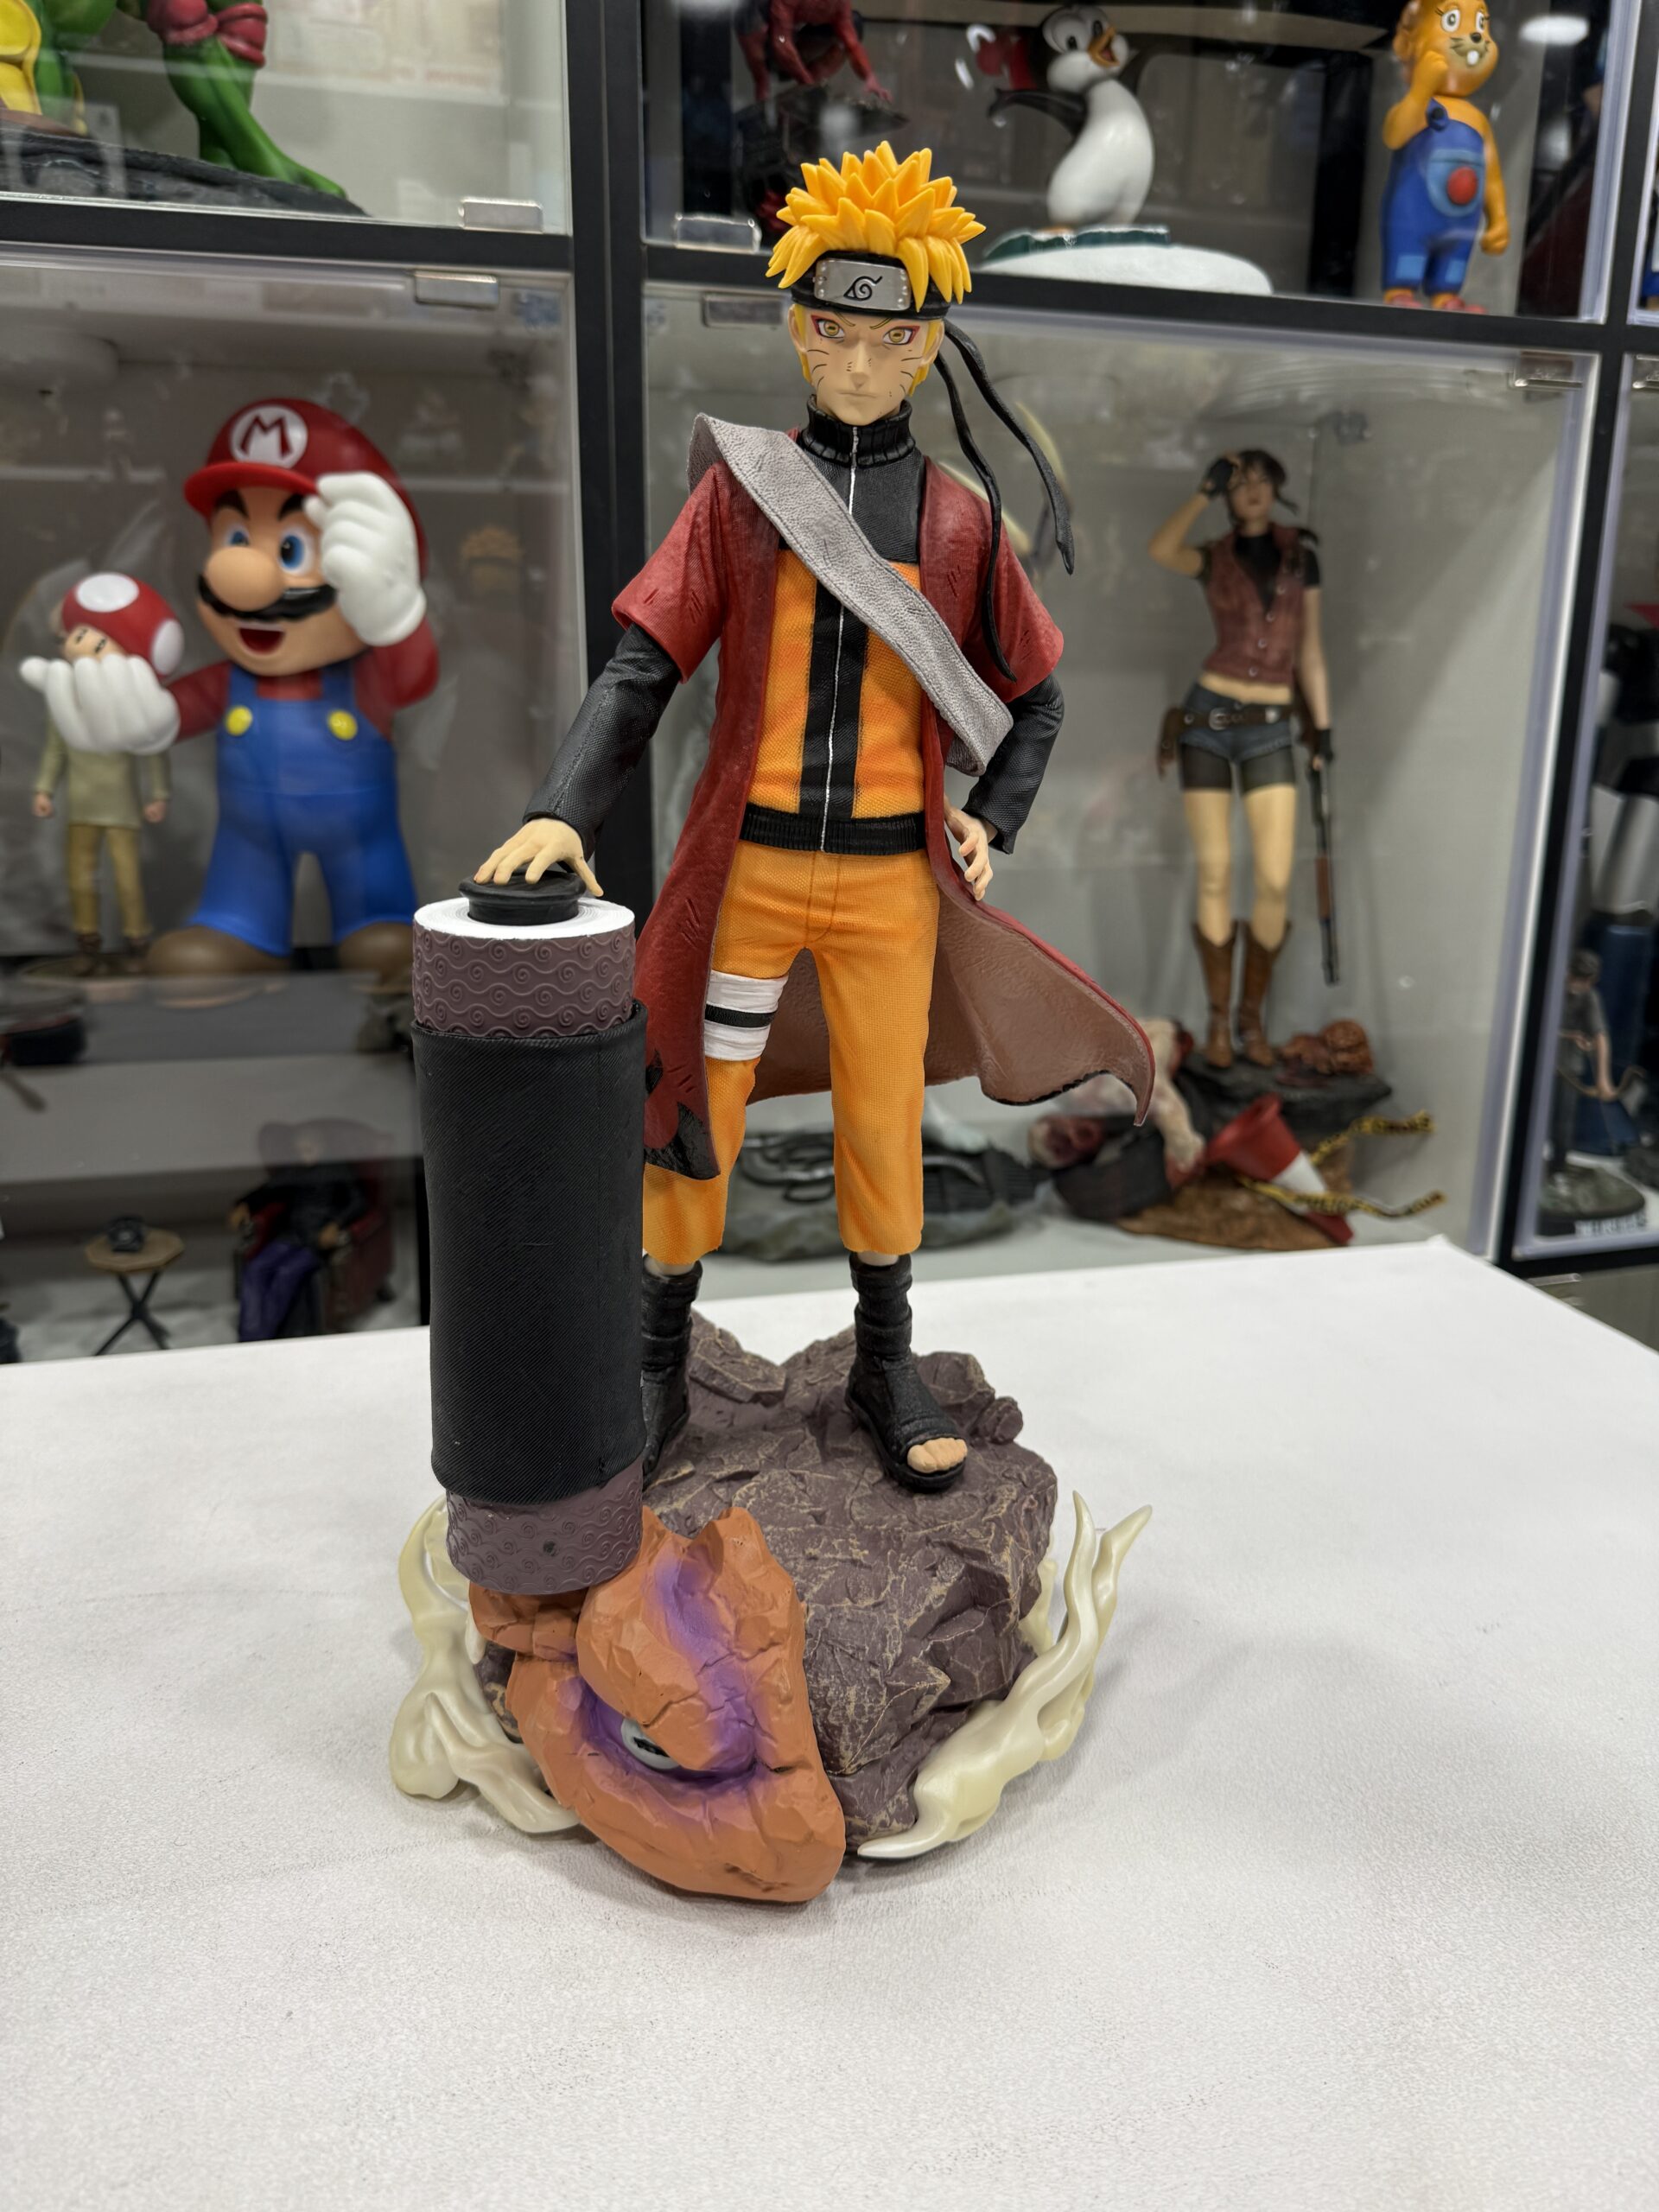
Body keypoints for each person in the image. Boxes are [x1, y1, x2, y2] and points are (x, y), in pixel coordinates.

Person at [476, 142, 1151, 1495]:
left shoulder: (959, 521)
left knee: (885, 1123)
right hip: (754, 874)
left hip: (893, 889)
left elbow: (1038, 698)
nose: (855, 362)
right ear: (798, 330)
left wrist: (995, 819)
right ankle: (655, 1360)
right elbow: (642, 667)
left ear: (926, 347)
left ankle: (885, 1360)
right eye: (832, 331)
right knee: (694, 1105)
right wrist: (561, 810)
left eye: (888, 338)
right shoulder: (742, 492)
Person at [22, 398, 436, 986]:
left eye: (290, 549)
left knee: (382, 927)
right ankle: (241, 927)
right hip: (250, 833)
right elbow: (183, 708)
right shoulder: (230, 680)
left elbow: (414, 676)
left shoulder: (363, 674)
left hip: (362, 834)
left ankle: (378, 919)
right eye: (236, 536)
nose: (241, 580)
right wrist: (147, 719)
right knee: (237, 891)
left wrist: (395, 615)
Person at [1148, 449, 1332, 1070]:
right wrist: (1203, 492)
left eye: (1262, 481)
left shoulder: (1300, 557)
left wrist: (1323, 727)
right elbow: (1160, 550)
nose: (1252, 491)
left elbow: (1310, 651)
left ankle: (1253, 1019)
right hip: (1207, 717)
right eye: (1240, 483)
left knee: (1275, 878)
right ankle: (1218, 1022)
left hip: (1272, 727)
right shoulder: (1214, 557)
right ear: (1228, 493)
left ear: (1277, 488)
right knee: (1216, 872)